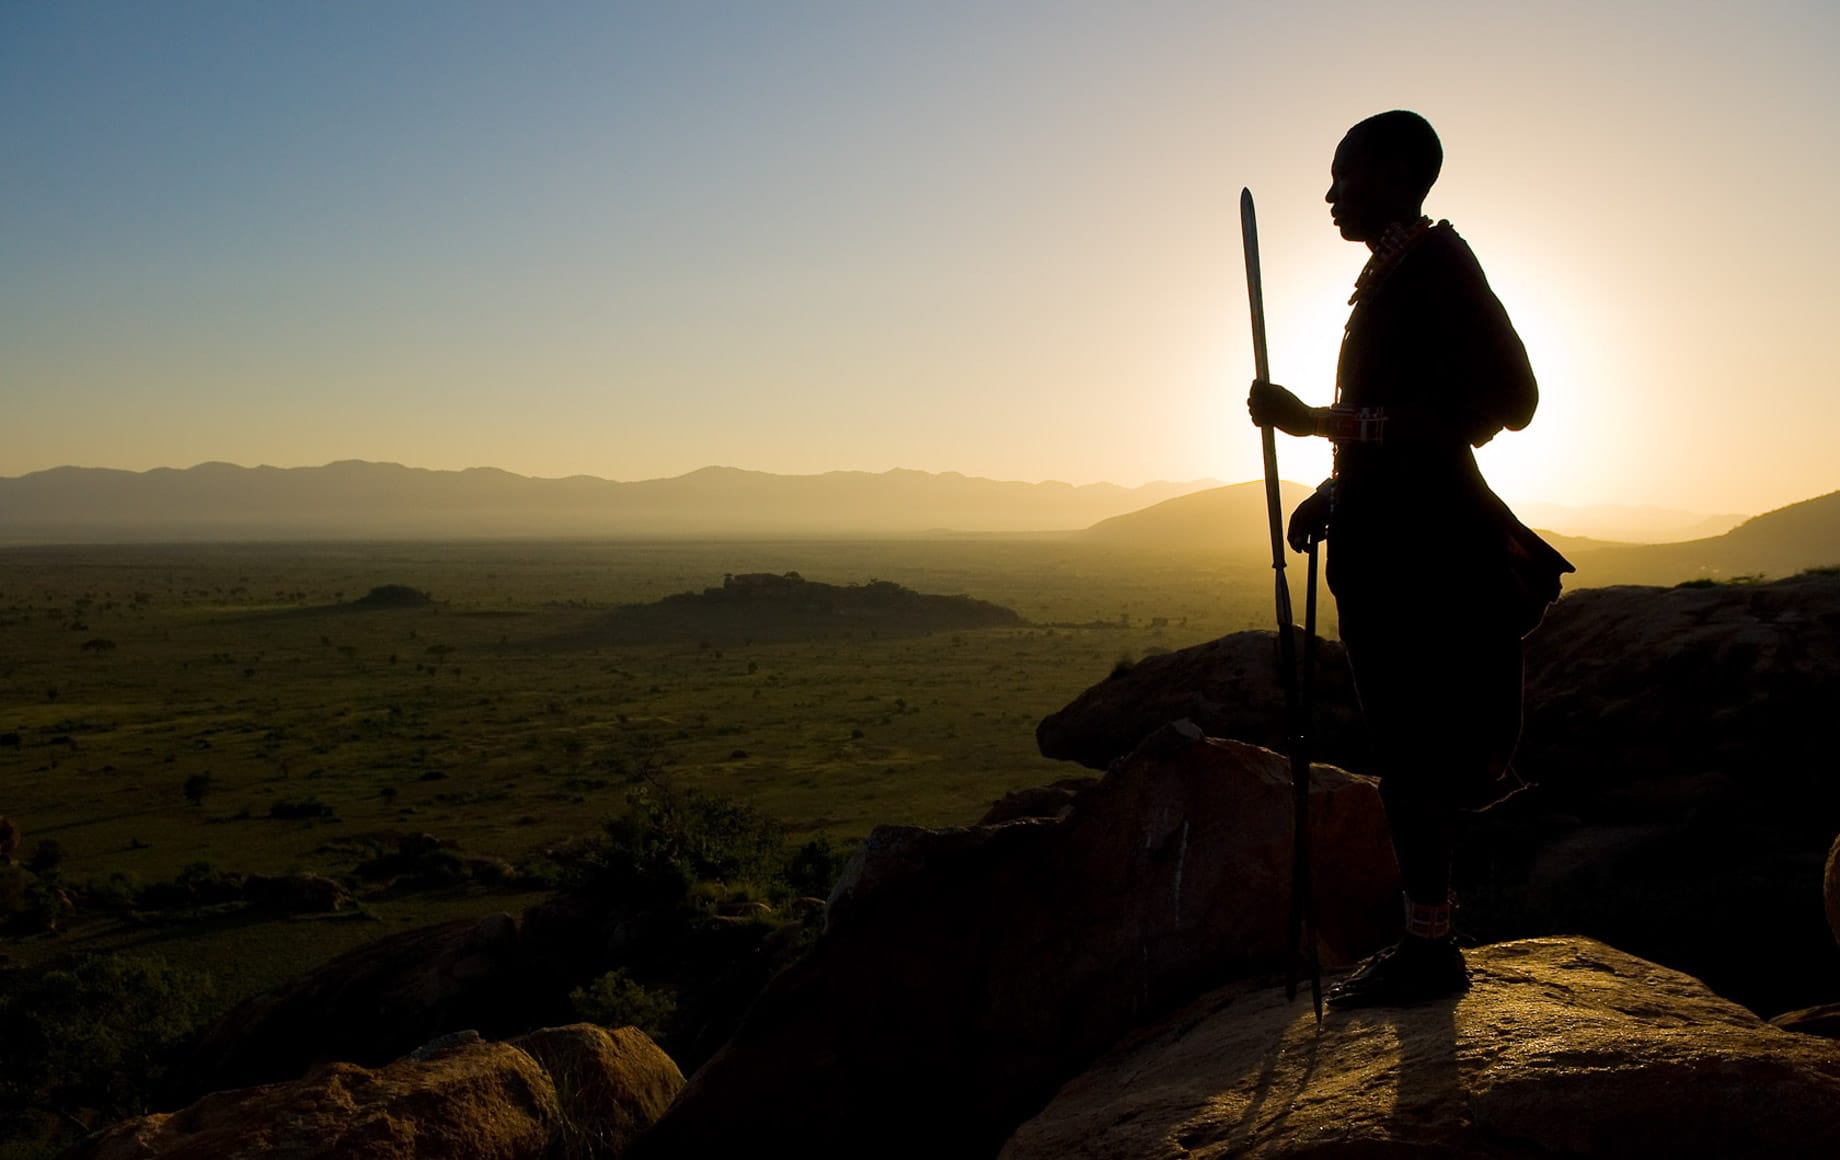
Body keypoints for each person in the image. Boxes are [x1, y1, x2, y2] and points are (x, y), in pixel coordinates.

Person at [1247, 110, 1572, 1007]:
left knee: (1418, 755)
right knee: (1405, 751)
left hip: (1427, 554)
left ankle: (1432, 951)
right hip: (1390, 540)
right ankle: (1428, 939)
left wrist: (1320, 423)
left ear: (1394, 175)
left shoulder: (1435, 267)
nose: (1329, 194)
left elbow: (1507, 402)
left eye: (1343, 175)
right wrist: (1339, 485)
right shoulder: (1393, 276)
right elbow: (1401, 422)